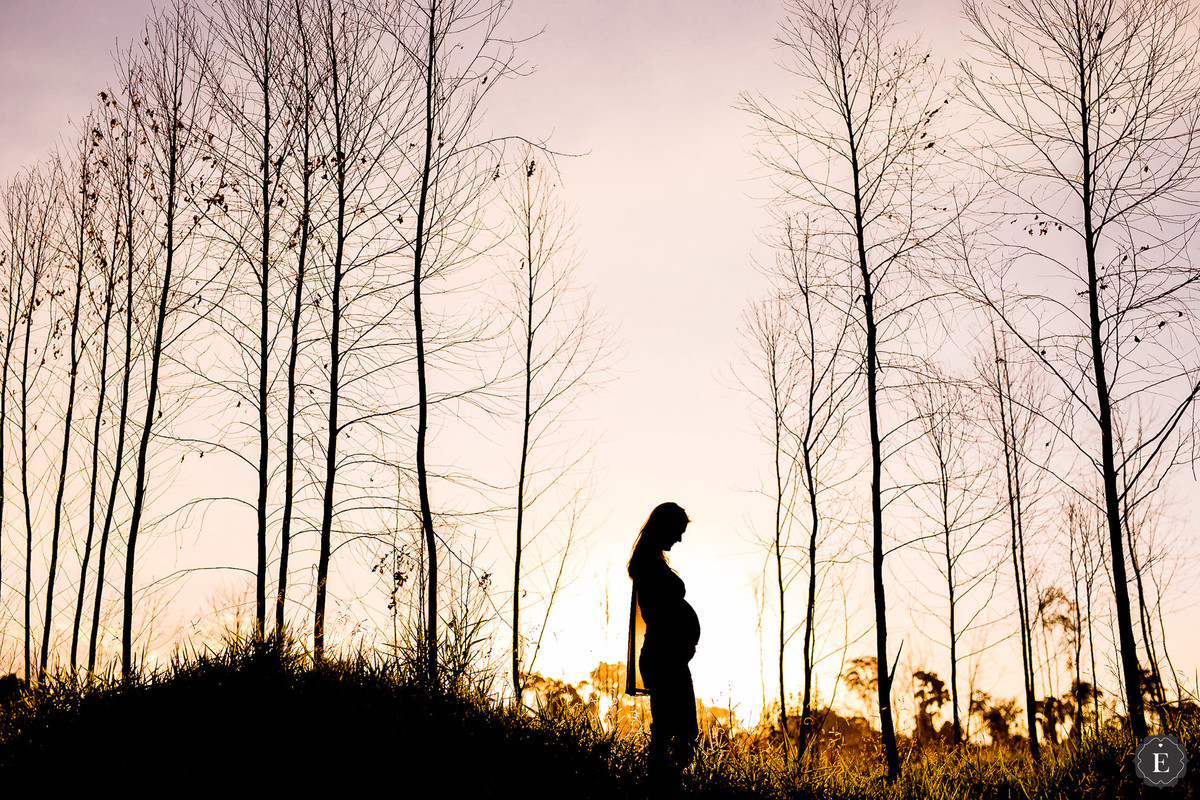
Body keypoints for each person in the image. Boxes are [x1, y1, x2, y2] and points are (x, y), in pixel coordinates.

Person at [625, 502, 699, 775]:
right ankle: (663, 784)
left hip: (668, 656)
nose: (679, 539)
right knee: (675, 731)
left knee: (676, 730)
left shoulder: (651, 562)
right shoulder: (648, 565)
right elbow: (660, 614)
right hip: (663, 657)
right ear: (664, 527)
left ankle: (663, 782)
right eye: (677, 531)